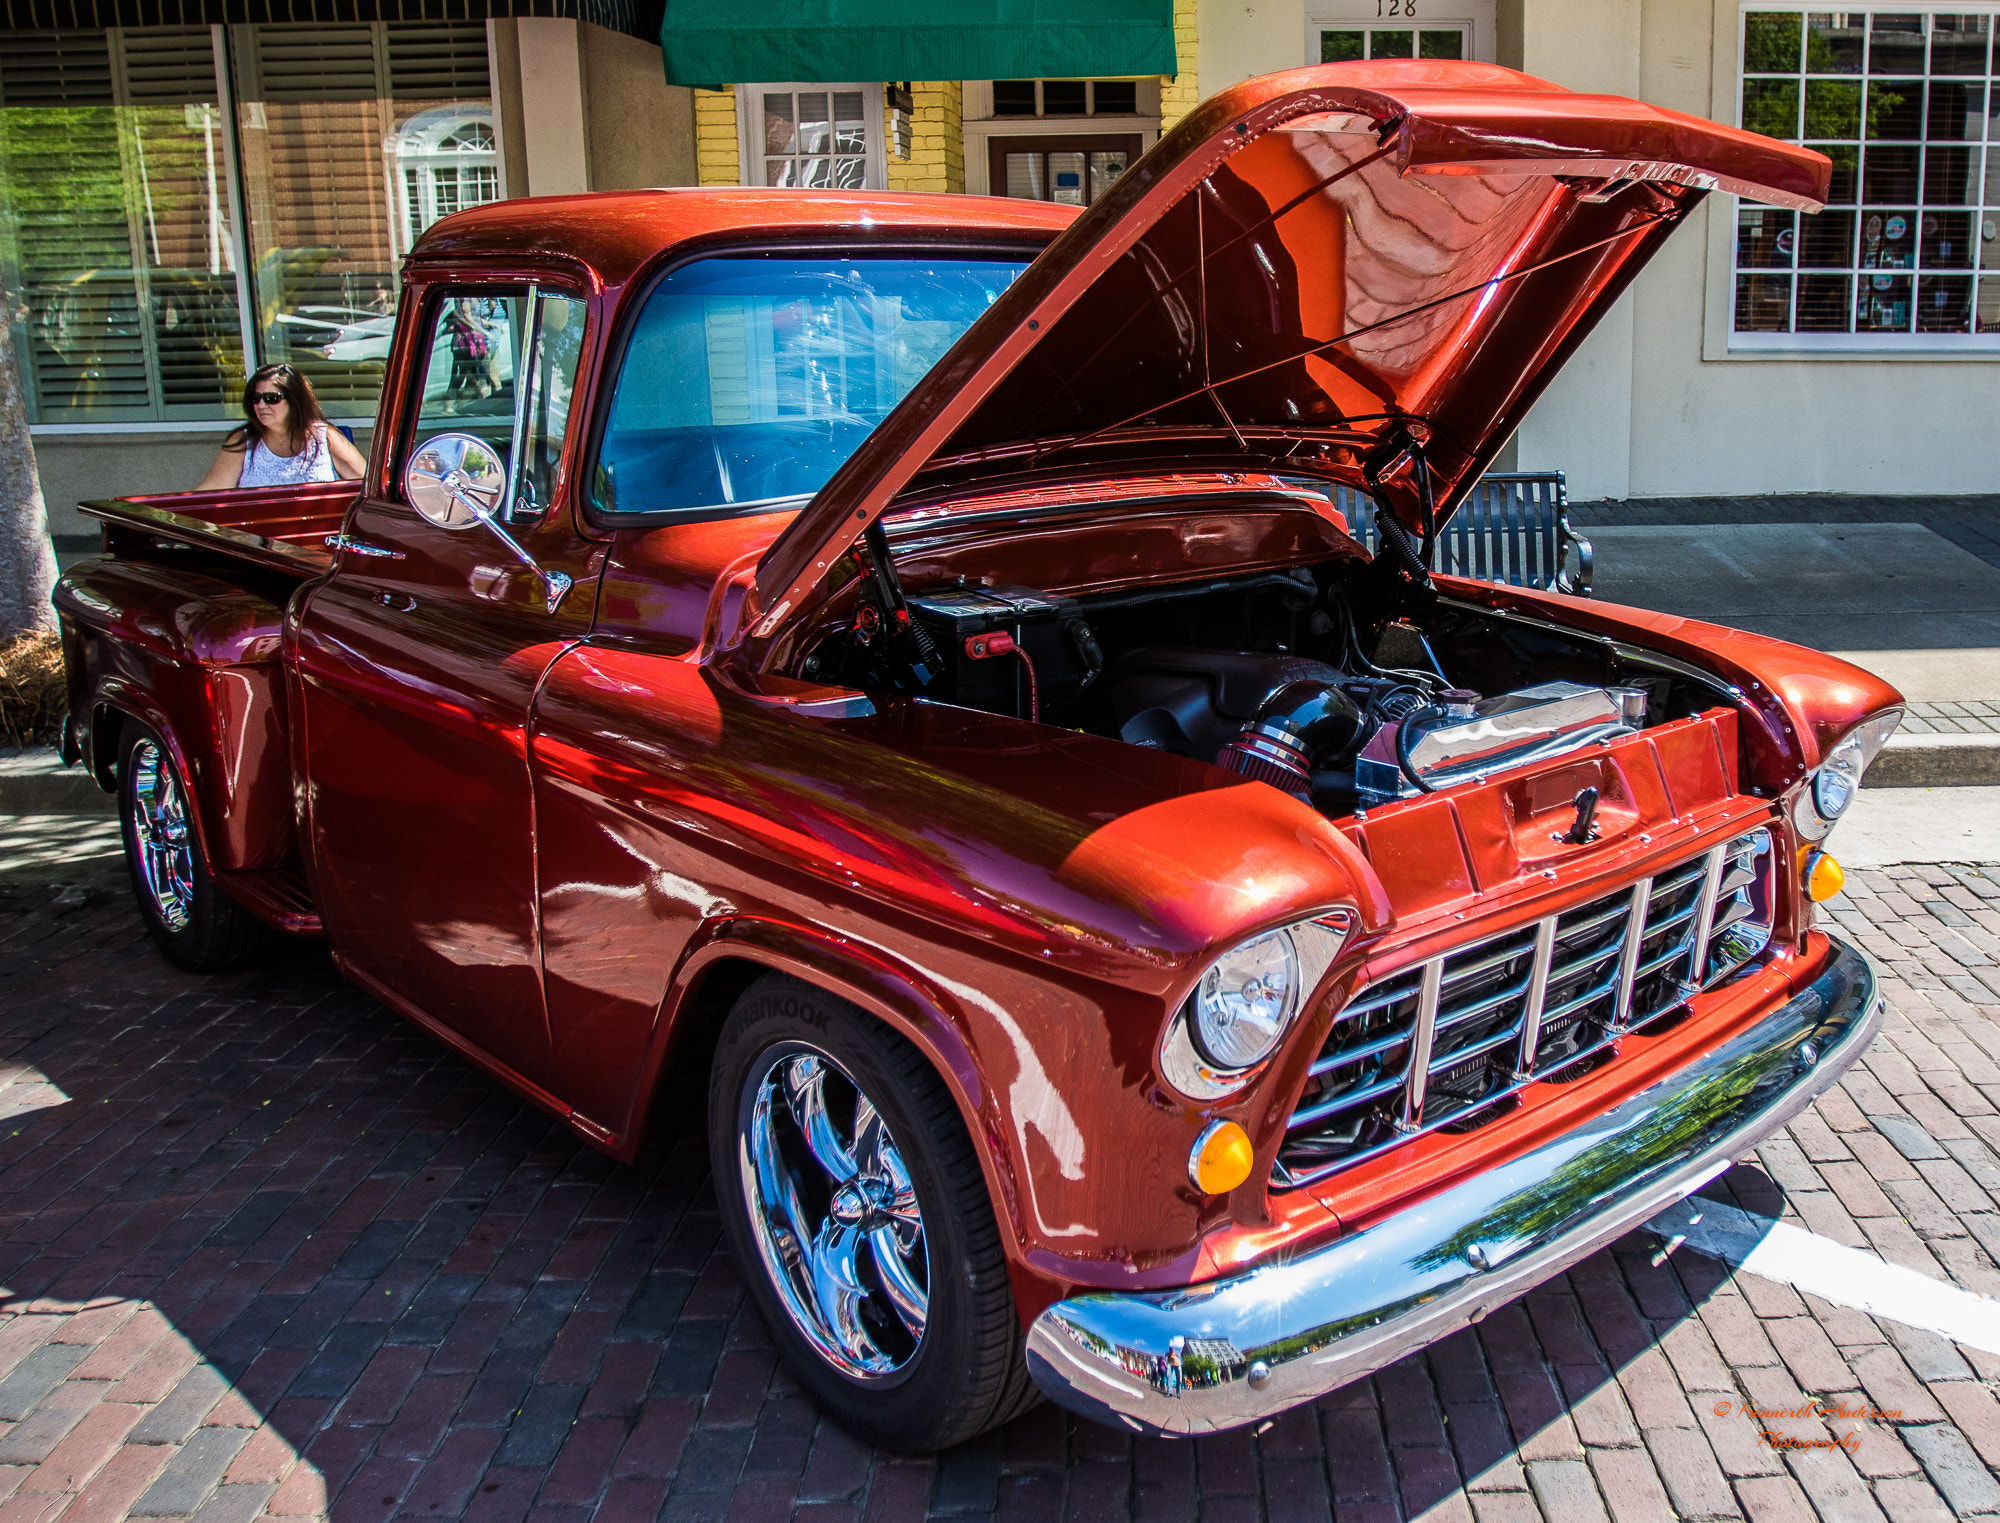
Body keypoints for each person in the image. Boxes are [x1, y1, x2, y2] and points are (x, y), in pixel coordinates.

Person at [196, 365, 366, 490]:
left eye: (271, 398)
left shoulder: (325, 438)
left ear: (295, 401)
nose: (261, 405)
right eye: (256, 398)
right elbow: (209, 496)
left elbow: (370, 488)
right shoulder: (243, 441)